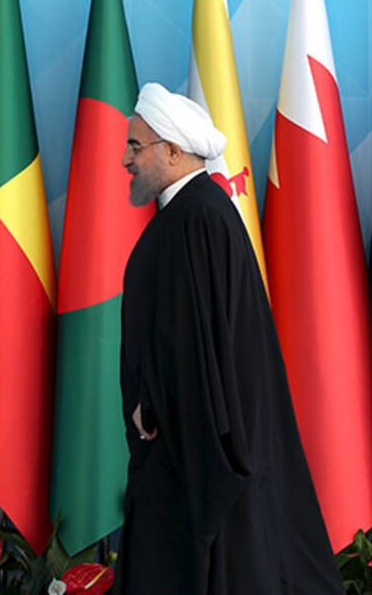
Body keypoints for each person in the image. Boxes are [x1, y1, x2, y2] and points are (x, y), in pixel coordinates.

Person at [114, 82, 342, 594]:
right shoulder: (195, 212)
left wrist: (152, 411)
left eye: (135, 146)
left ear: (172, 152)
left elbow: (195, 348)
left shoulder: (195, 219)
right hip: (184, 448)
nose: (126, 159)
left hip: (194, 461)